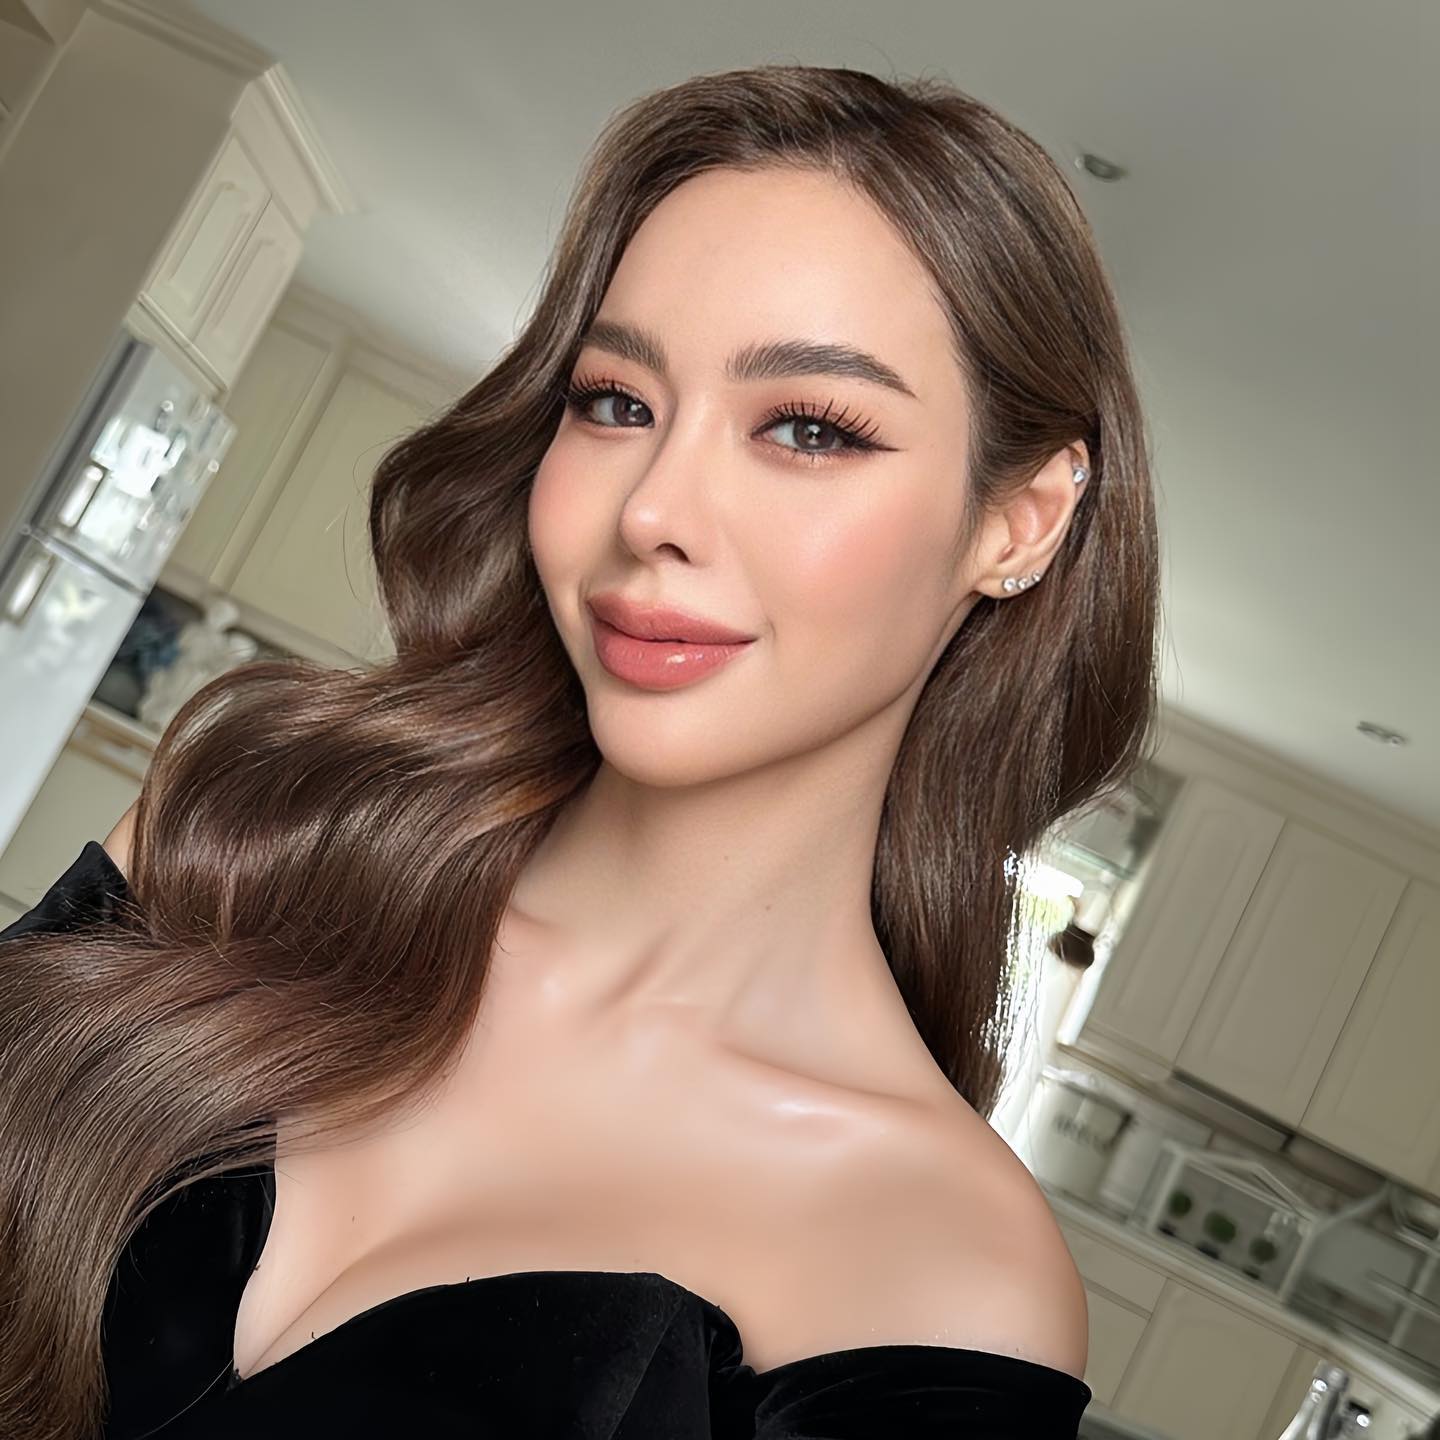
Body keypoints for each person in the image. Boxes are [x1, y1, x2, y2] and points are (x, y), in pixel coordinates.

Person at [0, 61, 1160, 1439]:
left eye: (809, 428)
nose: (653, 508)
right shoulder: (242, 838)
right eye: (616, 401)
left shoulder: (946, 1273)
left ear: (1020, 522)